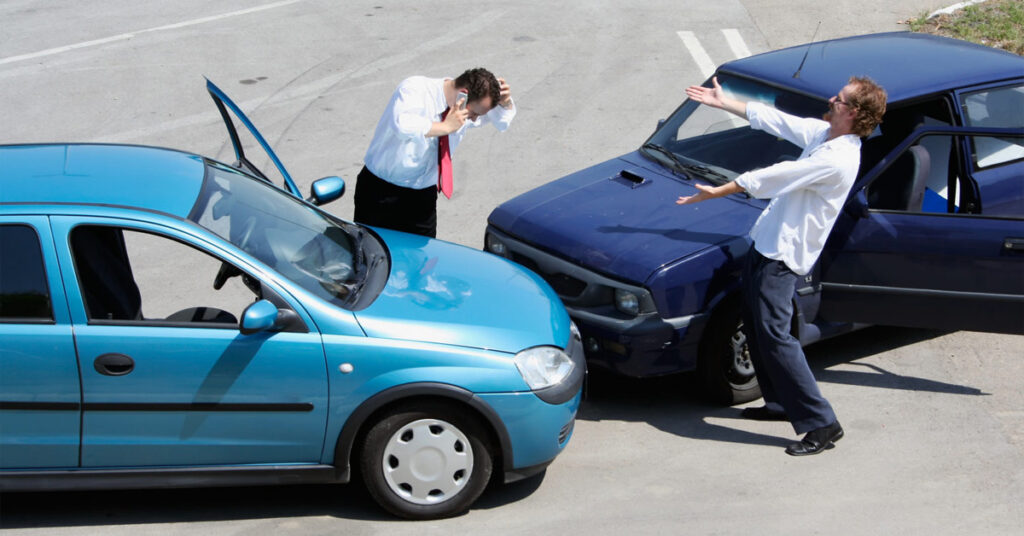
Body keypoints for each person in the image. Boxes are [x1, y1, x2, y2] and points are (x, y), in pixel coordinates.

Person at [677, 75, 886, 456]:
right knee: (758, 327)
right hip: (767, 243)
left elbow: (777, 175)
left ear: (852, 112)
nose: (830, 98)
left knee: (775, 336)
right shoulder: (826, 135)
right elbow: (777, 120)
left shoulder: (837, 158)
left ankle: (822, 423)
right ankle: (778, 403)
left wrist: (720, 190)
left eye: (838, 98)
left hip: (783, 257)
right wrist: (724, 103)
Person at [354, 68, 515, 238]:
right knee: (370, 256)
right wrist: (445, 127)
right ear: (463, 95)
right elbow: (402, 125)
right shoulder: (415, 88)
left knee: (424, 259)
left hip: (423, 198)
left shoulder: (463, 110)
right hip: (381, 193)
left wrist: (506, 103)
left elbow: (502, 123)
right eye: (474, 113)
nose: (474, 119)